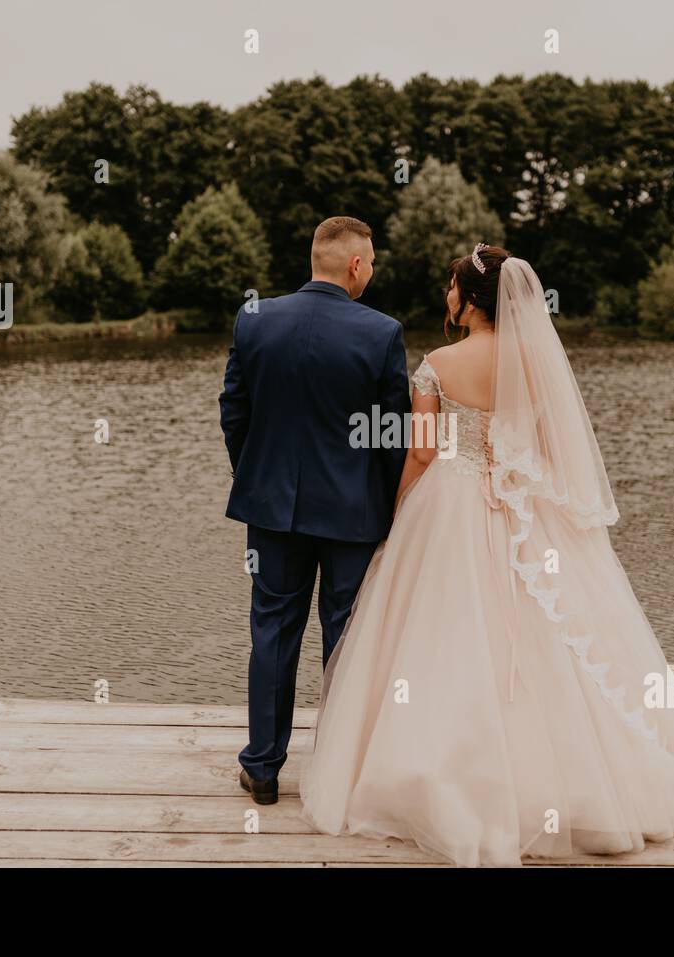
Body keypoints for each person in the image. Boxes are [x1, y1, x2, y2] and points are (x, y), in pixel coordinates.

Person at [298, 244, 674, 865]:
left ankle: (436, 767)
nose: (445, 297)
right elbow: (546, 445)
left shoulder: (436, 364)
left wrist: (399, 515)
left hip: (450, 502)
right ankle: (574, 778)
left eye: (450, 288)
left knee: (441, 633)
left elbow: (424, 453)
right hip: (519, 504)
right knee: (547, 632)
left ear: (468, 300)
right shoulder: (534, 364)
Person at [219, 215, 409, 806]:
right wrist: (388, 509)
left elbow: (233, 411)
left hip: (270, 509)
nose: (372, 271)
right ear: (355, 265)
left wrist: (254, 475)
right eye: (372, 261)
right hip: (352, 514)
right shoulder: (381, 333)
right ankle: (338, 768)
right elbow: (390, 435)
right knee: (346, 637)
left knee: (272, 630)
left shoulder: (256, 319)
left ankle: (264, 768)